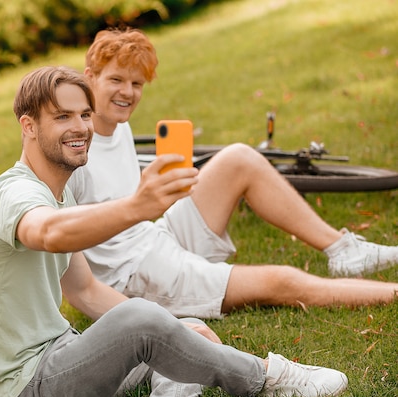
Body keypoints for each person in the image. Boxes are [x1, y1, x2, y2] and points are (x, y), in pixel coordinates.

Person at [0, 66, 348, 397]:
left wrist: (169, 327)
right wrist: (136, 207)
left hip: (60, 358)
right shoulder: (11, 193)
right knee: (144, 319)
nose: (80, 127)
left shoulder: (61, 193)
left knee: (181, 326)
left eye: (84, 115)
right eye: (62, 117)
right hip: (22, 396)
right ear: (28, 126)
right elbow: (48, 232)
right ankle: (263, 377)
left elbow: (87, 290)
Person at [66, 27, 398, 319]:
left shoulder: (116, 126)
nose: (128, 92)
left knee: (238, 158)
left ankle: (343, 251)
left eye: (136, 83)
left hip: (154, 237)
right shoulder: (74, 150)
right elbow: (65, 247)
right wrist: (114, 309)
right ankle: (391, 293)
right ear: (90, 76)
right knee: (282, 281)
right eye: (116, 80)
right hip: (136, 277)